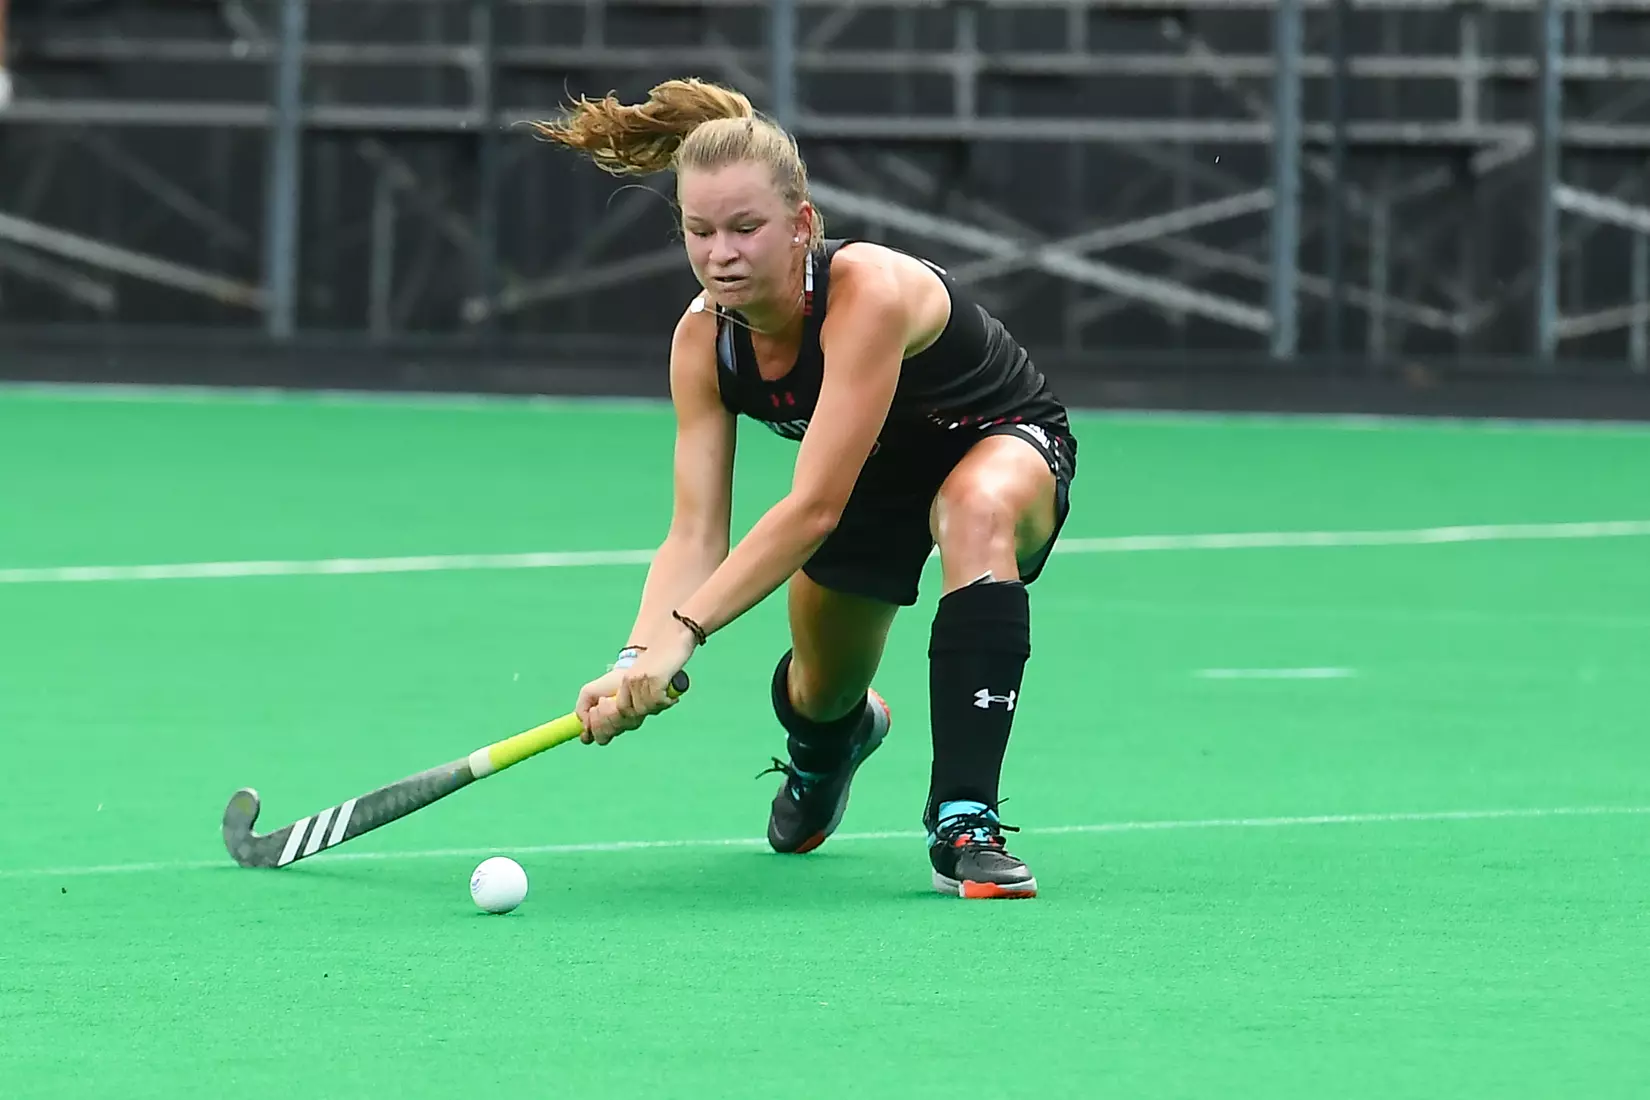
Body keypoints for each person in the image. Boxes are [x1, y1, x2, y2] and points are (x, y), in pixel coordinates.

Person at [535, 77, 1078, 900]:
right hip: (869, 482)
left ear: (802, 226)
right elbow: (693, 534)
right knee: (822, 692)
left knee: (974, 508)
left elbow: (813, 506)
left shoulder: (867, 292)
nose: (722, 253)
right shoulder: (701, 346)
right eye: (700, 230)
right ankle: (834, 746)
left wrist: (687, 633)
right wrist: (635, 659)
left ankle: (964, 821)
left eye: (748, 229)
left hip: (998, 444)